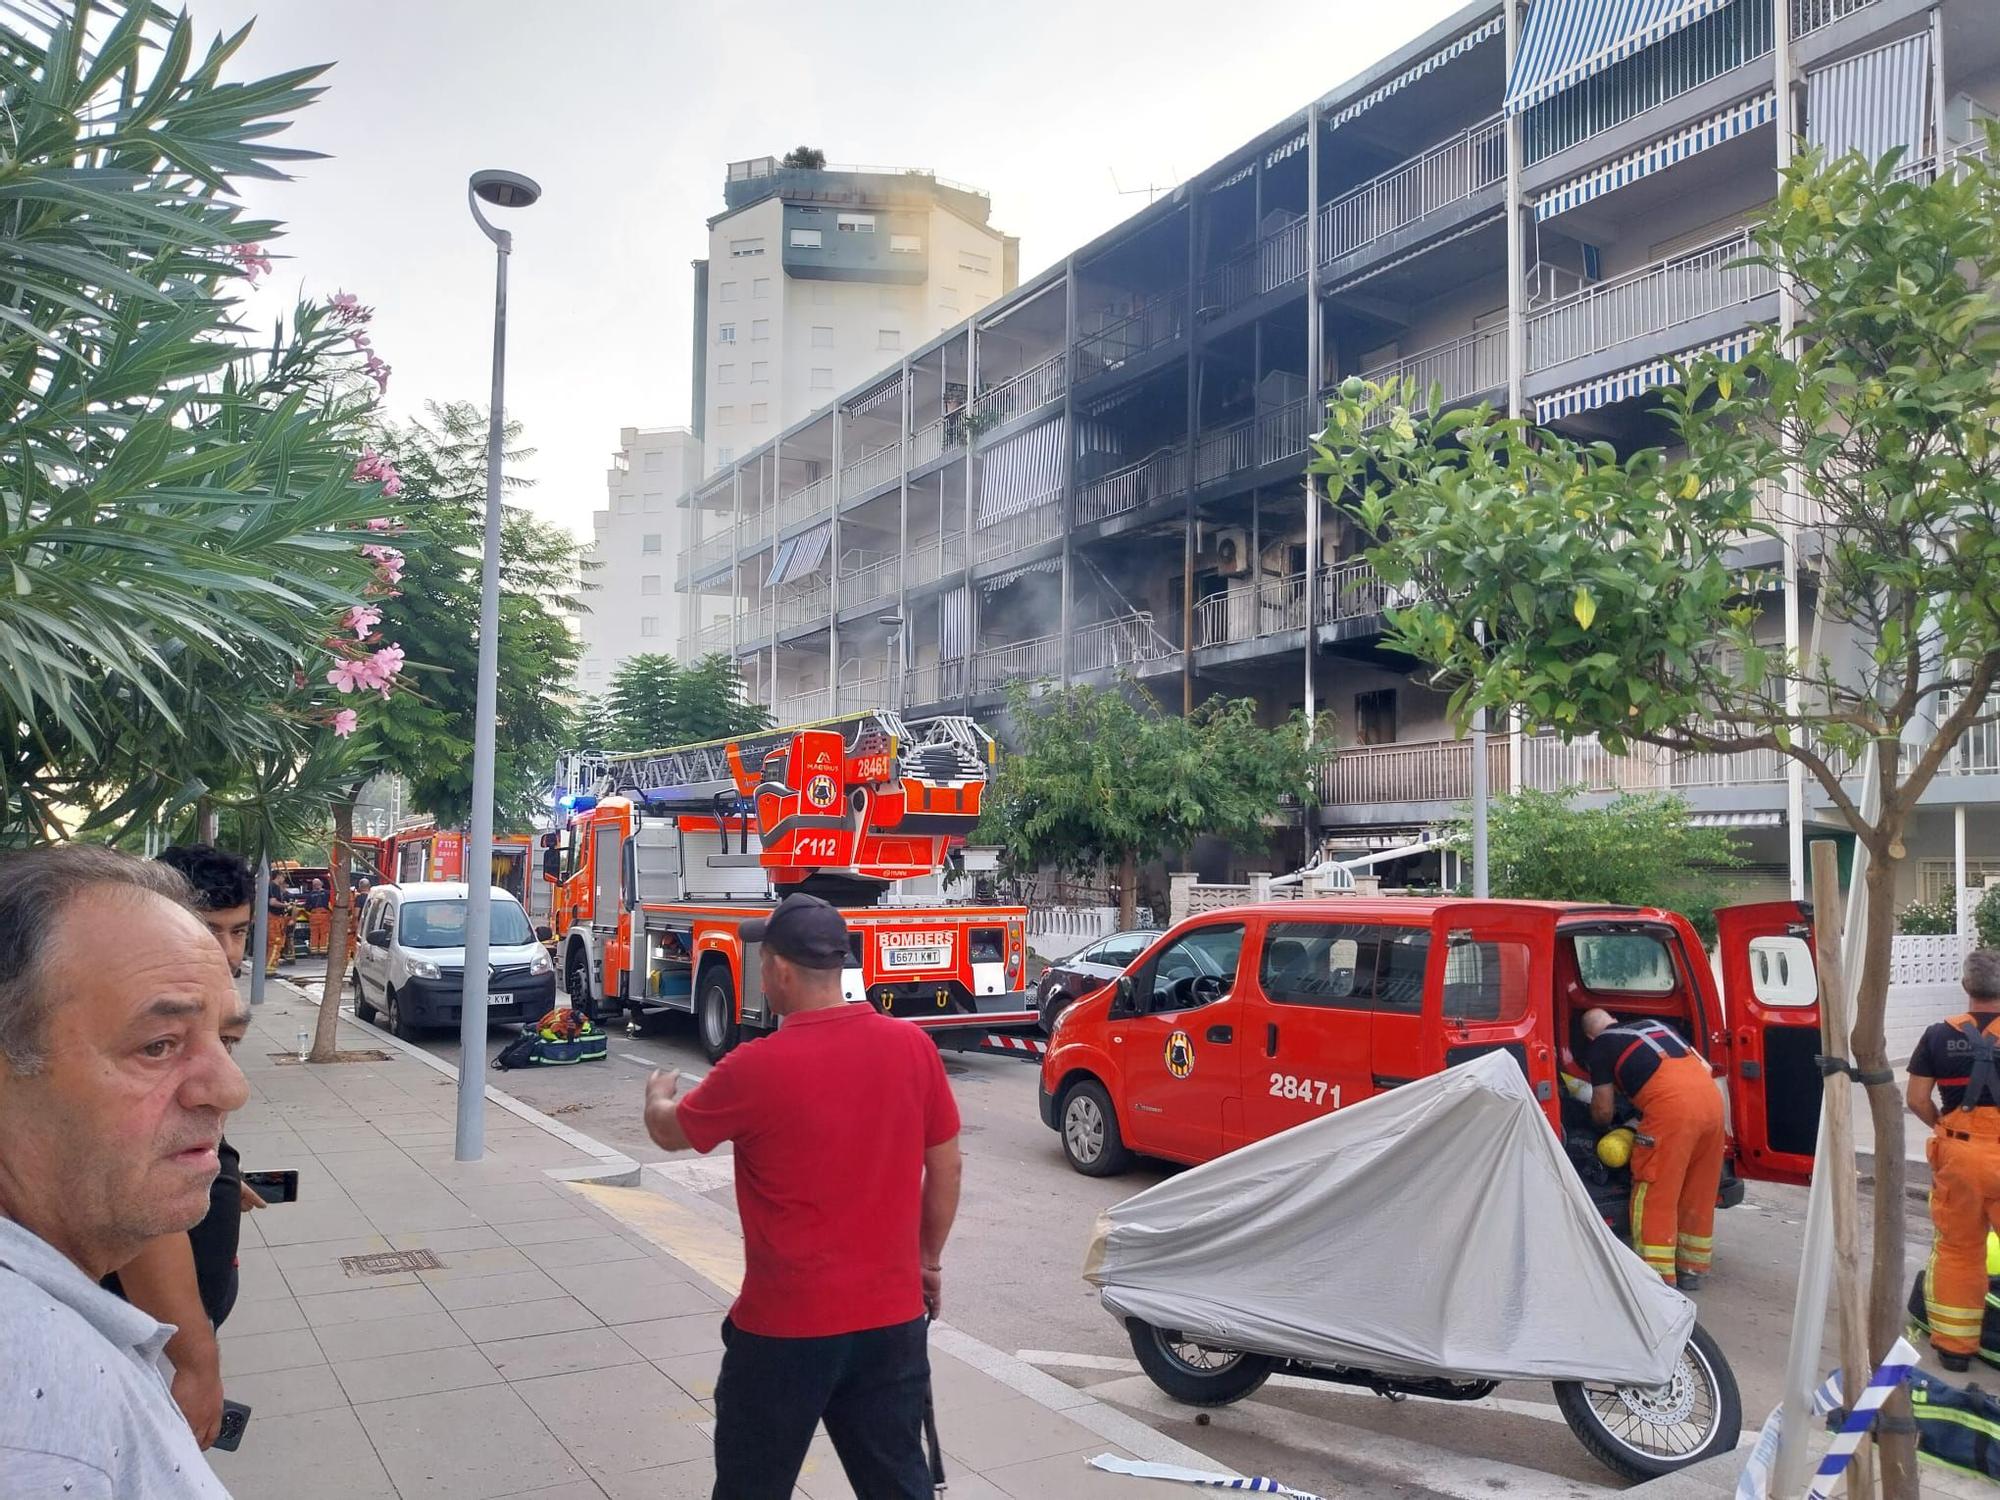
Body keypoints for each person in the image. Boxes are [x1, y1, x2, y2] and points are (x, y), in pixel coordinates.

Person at [643, 893, 963, 1500]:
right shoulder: (911, 1048)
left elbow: (669, 1131)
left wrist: (658, 1095)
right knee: (898, 1486)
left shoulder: (754, 1068)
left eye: (762, 960)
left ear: (780, 973)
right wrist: (927, 1262)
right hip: (890, 1324)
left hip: (784, 1330)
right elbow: (946, 1167)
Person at [0, 845, 247, 1497]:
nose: (230, 1087)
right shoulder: (39, 1415)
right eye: (158, 1046)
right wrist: (195, 1357)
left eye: (227, 1040)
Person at [108, 845, 264, 1448]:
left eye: (239, 932)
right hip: (153, 1336)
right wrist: (198, 1364)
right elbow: (142, 1210)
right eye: (209, 930)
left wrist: (218, 1173)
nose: (227, 952)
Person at [1580, 1008, 1725, 1290]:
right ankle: (1691, 1269)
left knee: (1655, 1189)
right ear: (1613, 1020)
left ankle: (1655, 1277)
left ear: (1589, 1035)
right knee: (1697, 1188)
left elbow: (1603, 1110)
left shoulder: (1600, 1046)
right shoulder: (1655, 1026)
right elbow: (1705, 1067)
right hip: (1713, 1105)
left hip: (1672, 1112)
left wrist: (1602, 1127)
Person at [1907, 949, 2000, 1371]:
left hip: (1959, 1154)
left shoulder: (1937, 1035)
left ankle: (1955, 1349)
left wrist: (1944, 1127)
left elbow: (1916, 1099)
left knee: (1960, 1250)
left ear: (1966, 987)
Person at [264, 873, 290, 977]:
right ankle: (270, 970)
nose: (283, 880)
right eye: (283, 877)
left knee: (270, 944)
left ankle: (268, 967)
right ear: (279, 876)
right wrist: (285, 905)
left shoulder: (270, 886)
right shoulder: (274, 887)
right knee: (275, 943)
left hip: (272, 918)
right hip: (274, 918)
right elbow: (272, 902)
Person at [304, 878, 330, 956]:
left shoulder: (310, 895)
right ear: (321, 884)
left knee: (314, 934)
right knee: (324, 933)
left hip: (314, 915)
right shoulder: (327, 893)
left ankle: (313, 952)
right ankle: (323, 951)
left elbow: (307, 907)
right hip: (324, 915)